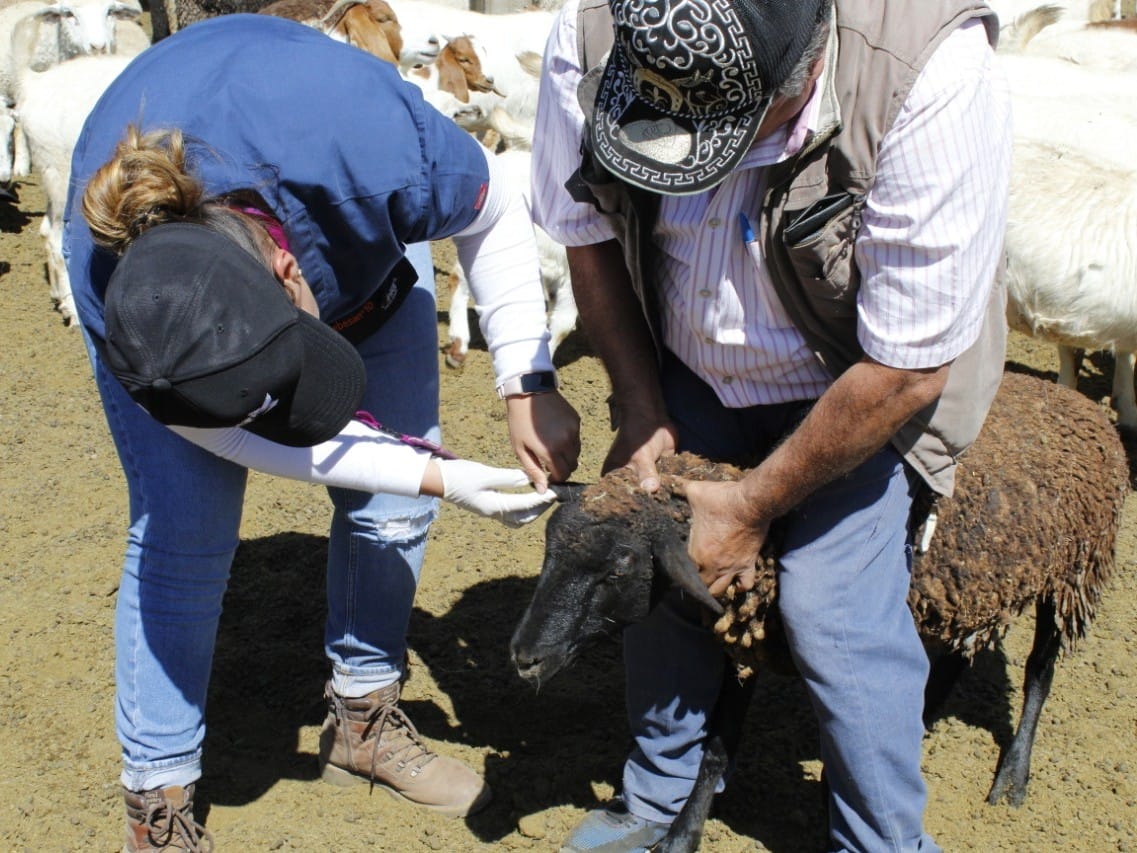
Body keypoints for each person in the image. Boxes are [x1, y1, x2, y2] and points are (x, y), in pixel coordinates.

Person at [63, 13, 581, 852]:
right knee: (182, 536)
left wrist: (525, 377)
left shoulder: (365, 149)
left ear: (284, 266)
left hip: (337, 221)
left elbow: (487, 205)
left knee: (390, 510)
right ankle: (156, 802)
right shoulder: (120, 296)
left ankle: (364, 721)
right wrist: (443, 475)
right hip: (227, 267)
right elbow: (224, 435)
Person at [530, 0, 1012, 850]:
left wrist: (752, 505)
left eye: (737, 135)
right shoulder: (595, 31)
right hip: (686, 363)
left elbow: (908, 362)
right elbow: (587, 233)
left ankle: (881, 838)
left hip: (858, 381)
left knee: (834, 607)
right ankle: (656, 795)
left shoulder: (926, 68)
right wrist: (641, 404)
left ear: (805, 69)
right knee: (656, 552)